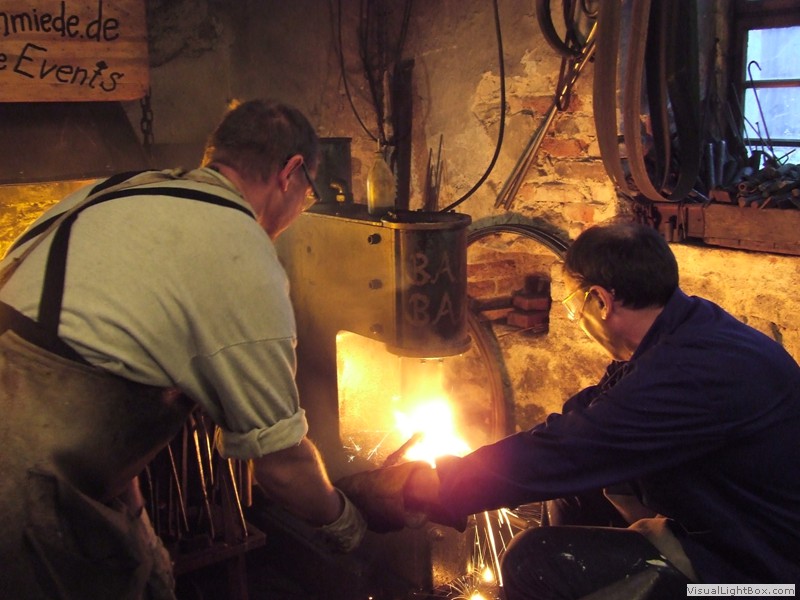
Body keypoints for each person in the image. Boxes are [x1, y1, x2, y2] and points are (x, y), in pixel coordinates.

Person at [0, 99, 365, 599]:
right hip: (21, 489)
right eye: (310, 192)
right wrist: (347, 523)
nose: (304, 206)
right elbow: (282, 468)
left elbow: (98, 359)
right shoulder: (239, 250)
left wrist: (134, 518)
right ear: (291, 172)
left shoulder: (119, 190)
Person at [337, 222, 800, 598]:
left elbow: (571, 450)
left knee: (534, 561)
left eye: (574, 307)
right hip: (729, 531)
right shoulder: (687, 331)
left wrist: (429, 488)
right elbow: (585, 420)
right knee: (573, 494)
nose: (576, 319)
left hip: (762, 578)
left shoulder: (693, 372)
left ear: (601, 300)